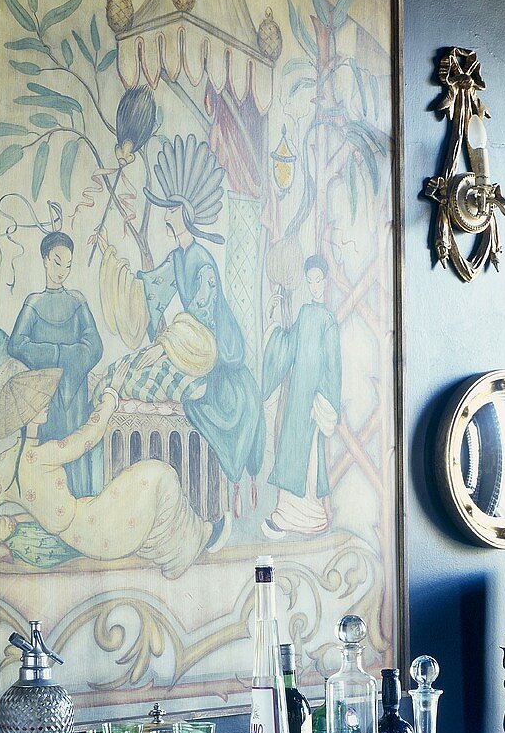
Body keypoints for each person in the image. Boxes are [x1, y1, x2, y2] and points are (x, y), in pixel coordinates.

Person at [98, 134, 264, 546]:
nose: (163, 217)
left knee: (190, 399)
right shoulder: (177, 258)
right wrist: (112, 263)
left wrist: (169, 344)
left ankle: (210, 514)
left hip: (217, 361)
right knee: (132, 369)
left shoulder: (203, 263)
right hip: (189, 349)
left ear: (182, 214)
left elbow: (204, 322)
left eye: (168, 210)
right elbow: (149, 289)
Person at [0, 363, 214, 579]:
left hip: (87, 520)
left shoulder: (5, 464)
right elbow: (89, 436)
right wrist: (110, 396)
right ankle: (189, 546)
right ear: (27, 416)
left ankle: (180, 545)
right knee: (161, 475)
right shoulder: (40, 455)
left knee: (153, 477)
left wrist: (8, 527)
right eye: (40, 404)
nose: (47, 405)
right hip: (92, 531)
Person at [7, 232, 103, 498]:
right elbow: (16, 344)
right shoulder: (34, 302)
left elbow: (95, 345)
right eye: (57, 262)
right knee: (44, 454)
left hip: (74, 397)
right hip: (43, 396)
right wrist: (60, 354)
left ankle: (79, 509)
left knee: (74, 451)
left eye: (68, 265)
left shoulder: (77, 301)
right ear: (45, 260)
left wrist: (63, 359)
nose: (62, 271)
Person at [261, 255, 341, 536]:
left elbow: (333, 365)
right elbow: (287, 347)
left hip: (314, 399)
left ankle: (310, 516)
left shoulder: (329, 320)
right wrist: (272, 321)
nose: (315, 285)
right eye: (310, 281)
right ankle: (284, 515)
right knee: (290, 449)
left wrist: (325, 400)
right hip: (296, 395)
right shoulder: (305, 313)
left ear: (326, 280)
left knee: (308, 454)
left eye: (318, 280)